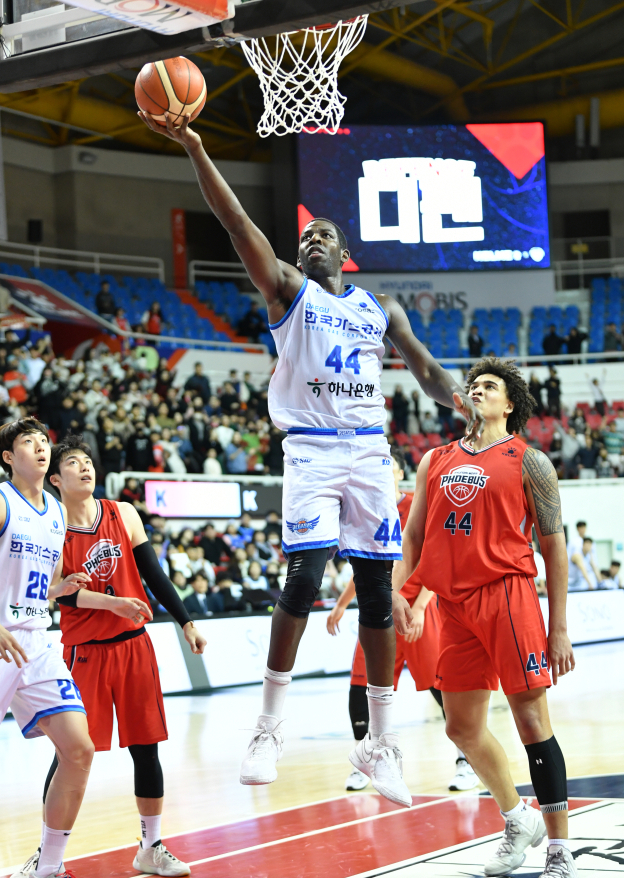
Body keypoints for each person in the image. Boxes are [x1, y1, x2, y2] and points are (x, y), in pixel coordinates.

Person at [138, 105, 482, 807]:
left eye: (324, 235)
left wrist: (463, 403)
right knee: (302, 581)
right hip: (314, 452)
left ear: (345, 253)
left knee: (380, 593)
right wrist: (198, 147)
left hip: (368, 451)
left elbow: (424, 370)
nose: (312, 242)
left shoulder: (377, 309)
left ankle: (380, 742)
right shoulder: (287, 293)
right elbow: (238, 224)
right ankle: (268, 725)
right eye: (305, 238)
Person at [392, 358, 582, 878]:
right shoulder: (436, 458)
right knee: (461, 727)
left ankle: (561, 858)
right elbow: (413, 539)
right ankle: (518, 818)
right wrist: (404, 599)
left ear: (509, 406)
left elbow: (554, 548)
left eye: (490, 386)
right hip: (453, 606)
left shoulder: (531, 463)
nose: (478, 389)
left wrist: (559, 628)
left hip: (508, 595)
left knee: (529, 721)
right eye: (474, 384)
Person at [10, 436, 208, 878]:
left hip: (134, 646)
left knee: (146, 746)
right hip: (85, 652)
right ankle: (45, 855)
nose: (85, 469)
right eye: (73, 464)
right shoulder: (52, 525)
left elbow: (153, 573)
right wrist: (112, 604)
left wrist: (186, 622)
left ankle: (151, 847)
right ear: (55, 480)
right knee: (71, 753)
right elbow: (61, 589)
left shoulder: (123, 513)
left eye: (88, 462)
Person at [0, 418, 110, 878]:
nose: (41, 448)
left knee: (79, 749)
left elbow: (32, 587)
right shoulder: (2, 501)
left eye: (44, 442)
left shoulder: (55, 513)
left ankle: (47, 871)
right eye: (28, 442)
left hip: (37, 641)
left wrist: (59, 590)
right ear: (8, 457)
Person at [327, 448, 478, 793]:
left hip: (416, 608)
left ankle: (465, 761)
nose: (383, 471)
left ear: (397, 474)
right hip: (376, 611)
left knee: (443, 688)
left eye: (389, 466)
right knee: (360, 687)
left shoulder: (417, 507)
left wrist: (424, 604)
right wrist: (341, 604)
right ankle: (369, 760)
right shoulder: (367, 511)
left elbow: (436, 558)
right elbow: (364, 568)